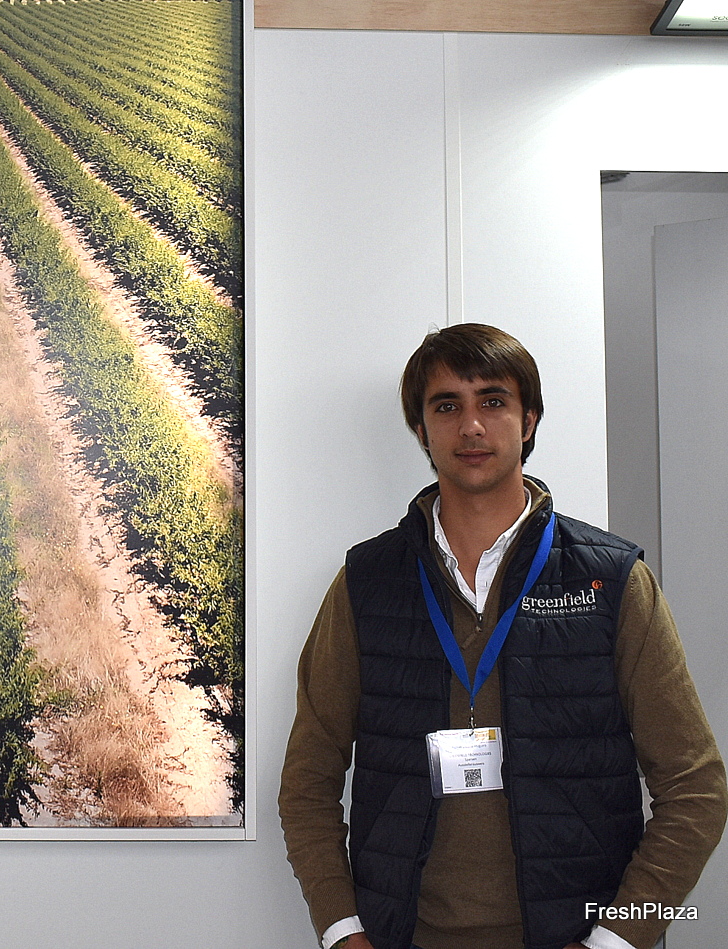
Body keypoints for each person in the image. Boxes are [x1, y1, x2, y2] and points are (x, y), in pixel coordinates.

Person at [279, 324, 726, 949]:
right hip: (402, 936)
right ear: (420, 429)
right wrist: (341, 930)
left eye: (493, 401)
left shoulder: (612, 580)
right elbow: (307, 781)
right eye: (447, 406)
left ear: (529, 419)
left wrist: (619, 938)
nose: (471, 426)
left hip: (574, 934)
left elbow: (696, 787)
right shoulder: (366, 581)